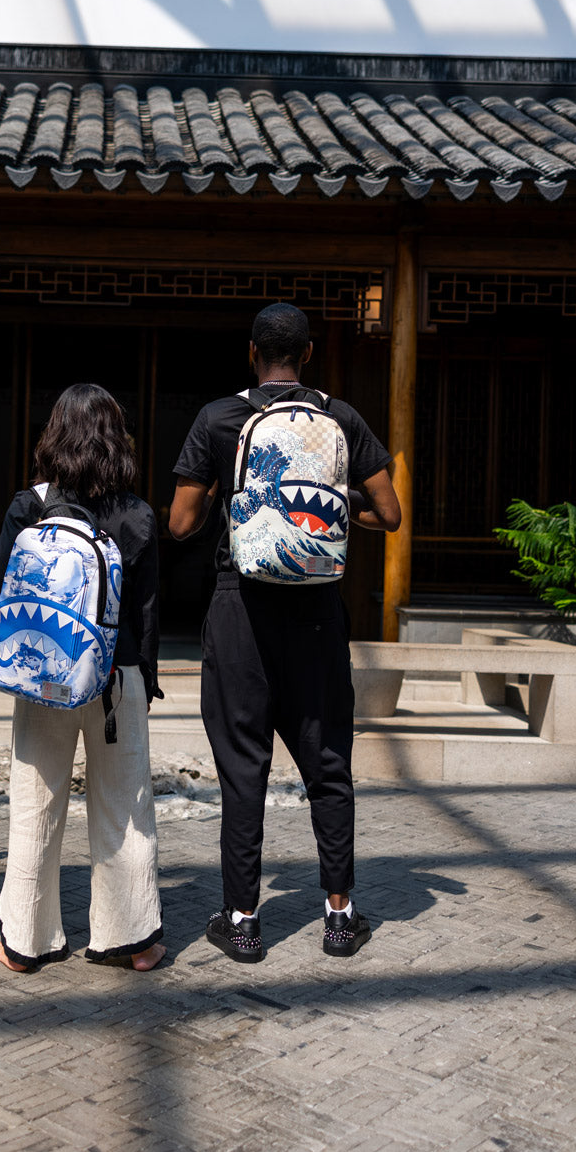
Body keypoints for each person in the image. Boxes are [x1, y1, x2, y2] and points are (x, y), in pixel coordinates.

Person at [169, 303, 400, 962]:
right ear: (308, 354)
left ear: (252, 353)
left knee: (244, 768)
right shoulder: (341, 419)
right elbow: (389, 512)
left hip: (241, 609)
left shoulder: (218, 418)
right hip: (319, 612)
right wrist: (326, 503)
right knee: (327, 764)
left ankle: (241, 920)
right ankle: (339, 916)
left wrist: (237, 495)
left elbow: (182, 524)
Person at [0, 383, 165, 972]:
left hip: (44, 675)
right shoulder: (137, 514)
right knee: (124, 805)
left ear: (53, 437)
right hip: (117, 679)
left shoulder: (27, 506)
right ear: (118, 441)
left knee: (35, 803)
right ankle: (130, 940)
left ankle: (26, 942)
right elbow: (146, 611)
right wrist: (145, 681)